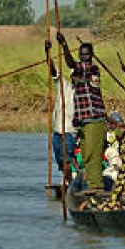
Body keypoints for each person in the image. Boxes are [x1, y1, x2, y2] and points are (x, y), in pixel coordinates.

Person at [56, 32, 107, 191]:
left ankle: (96, 186)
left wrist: (64, 44)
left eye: (86, 54)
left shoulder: (92, 68)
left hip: (94, 116)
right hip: (84, 119)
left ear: (91, 55)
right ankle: (90, 184)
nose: (83, 57)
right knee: (85, 154)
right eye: (81, 54)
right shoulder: (80, 73)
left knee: (93, 153)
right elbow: (74, 70)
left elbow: (71, 63)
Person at [45, 40, 77, 184]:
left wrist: (65, 44)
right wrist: (47, 52)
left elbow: (70, 61)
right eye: (73, 76)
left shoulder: (82, 93)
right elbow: (52, 70)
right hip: (57, 132)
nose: (75, 78)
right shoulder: (64, 86)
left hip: (70, 133)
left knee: (67, 162)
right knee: (60, 162)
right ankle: (68, 181)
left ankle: (70, 183)